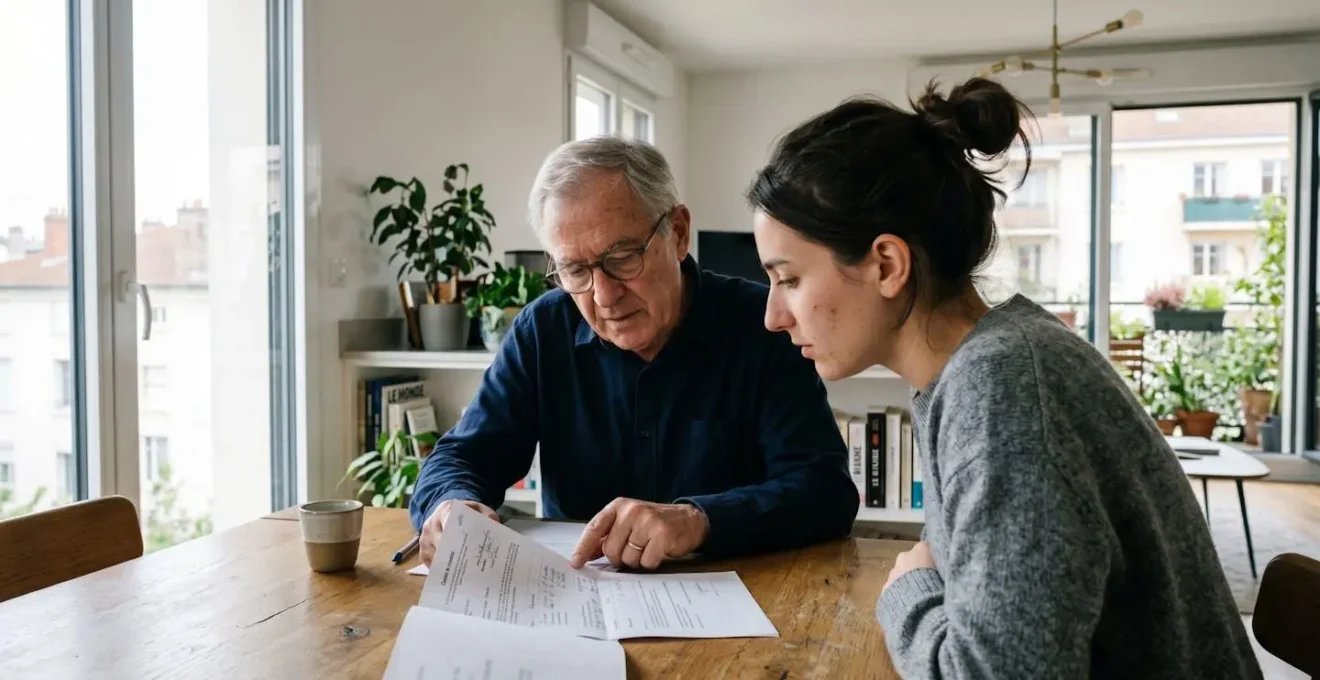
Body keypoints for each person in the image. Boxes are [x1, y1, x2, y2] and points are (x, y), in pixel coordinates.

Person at [745, 77, 1262, 679]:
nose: (772, 316)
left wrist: (908, 593)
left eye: (789, 279)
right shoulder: (978, 371)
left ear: (887, 264)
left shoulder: (1005, 392)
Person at [409, 135, 859, 571]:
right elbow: (461, 456)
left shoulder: (763, 327)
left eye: (623, 258)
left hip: (744, 603)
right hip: (575, 600)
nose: (603, 296)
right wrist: (451, 506)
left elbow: (824, 491)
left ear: (678, 233)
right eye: (574, 270)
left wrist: (698, 521)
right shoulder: (544, 330)